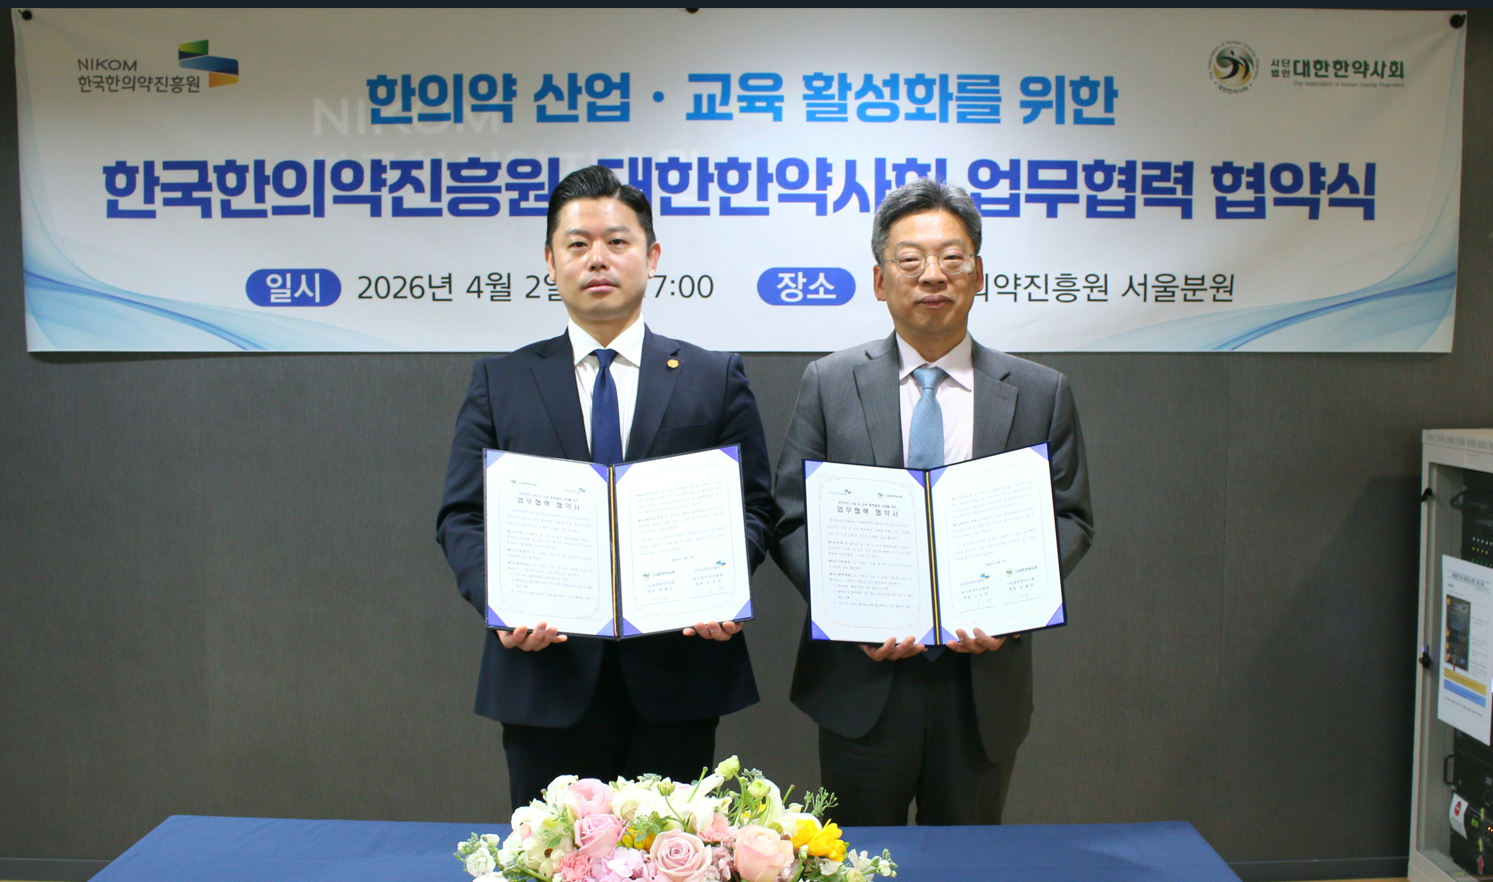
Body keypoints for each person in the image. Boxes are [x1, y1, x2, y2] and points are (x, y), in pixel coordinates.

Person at [437, 165, 772, 810]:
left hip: (678, 671)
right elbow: (461, 516)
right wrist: (501, 602)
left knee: (675, 853)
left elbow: (754, 506)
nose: (598, 258)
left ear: (652, 256)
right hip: (545, 673)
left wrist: (724, 583)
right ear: (550, 260)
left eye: (617, 242)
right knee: (554, 854)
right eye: (578, 243)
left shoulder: (713, 377)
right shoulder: (501, 382)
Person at [770, 178, 1093, 826]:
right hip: (862, 677)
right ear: (879, 279)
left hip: (982, 684)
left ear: (978, 275)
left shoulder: (1039, 391)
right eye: (910, 260)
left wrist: (1012, 607)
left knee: (967, 862)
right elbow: (790, 517)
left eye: (952, 258)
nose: (933, 276)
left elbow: (1071, 517)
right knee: (857, 861)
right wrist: (851, 611)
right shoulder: (829, 382)